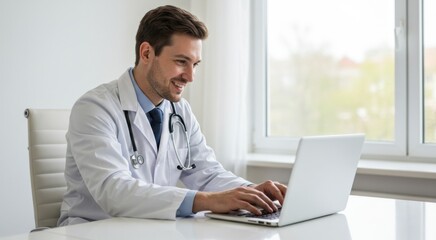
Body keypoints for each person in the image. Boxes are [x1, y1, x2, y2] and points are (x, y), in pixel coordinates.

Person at [58, 5, 287, 226]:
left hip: (151, 229)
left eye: (195, 64)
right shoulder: (95, 108)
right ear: (147, 53)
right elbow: (113, 190)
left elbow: (206, 174)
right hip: (93, 230)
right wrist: (205, 201)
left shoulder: (180, 111)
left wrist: (252, 192)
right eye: (181, 62)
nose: (190, 77)